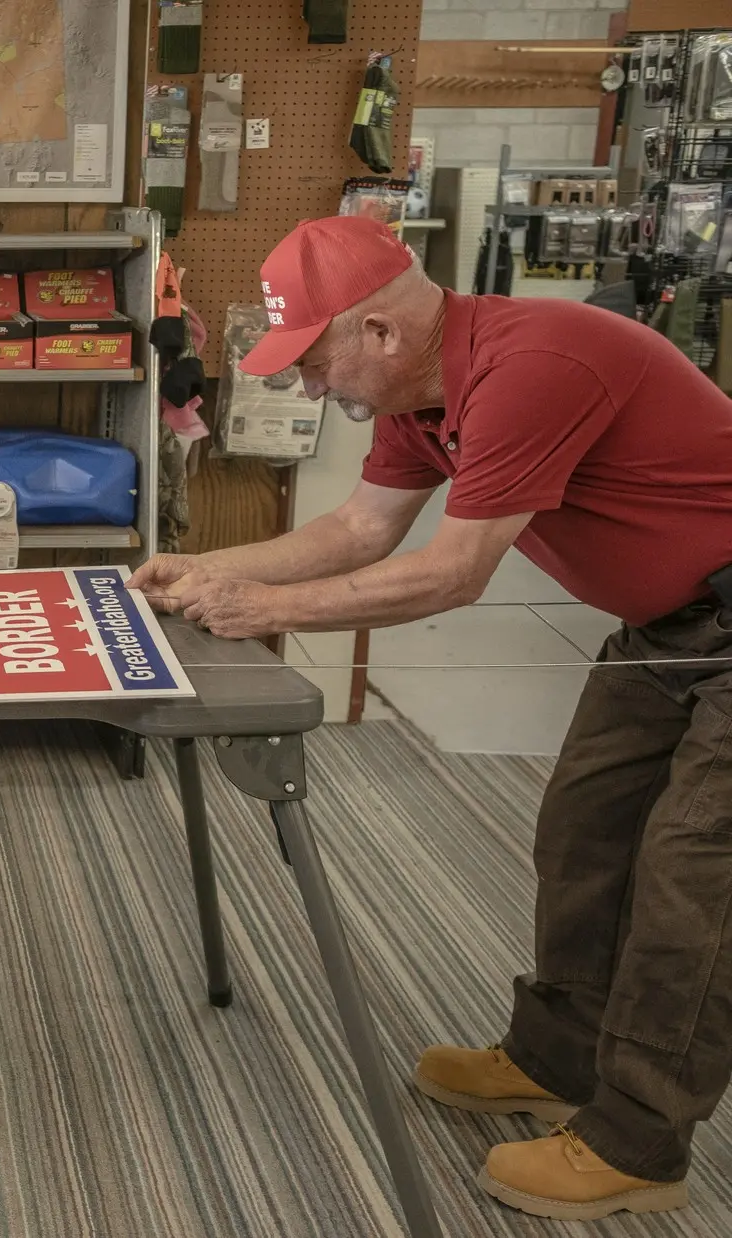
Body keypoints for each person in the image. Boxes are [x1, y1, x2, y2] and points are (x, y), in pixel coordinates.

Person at [131, 214, 732, 1221]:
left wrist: (262, 610)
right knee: (581, 831)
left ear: (378, 329)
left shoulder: (533, 361)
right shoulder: (418, 399)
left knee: (692, 878)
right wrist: (206, 570)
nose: (311, 387)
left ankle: (638, 1143)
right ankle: (555, 1056)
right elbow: (357, 530)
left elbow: (452, 573)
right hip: (665, 625)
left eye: (314, 360)